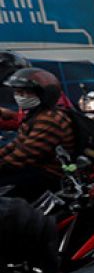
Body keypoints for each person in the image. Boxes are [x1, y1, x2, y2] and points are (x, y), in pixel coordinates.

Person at [0, 69, 75, 200]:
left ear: (44, 94)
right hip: (37, 168)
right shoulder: (35, 115)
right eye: (17, 92)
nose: (19, 96)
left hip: (51, 174)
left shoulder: (49, 120)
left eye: (24, 93)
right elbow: (16, 144)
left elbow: (24, 155)